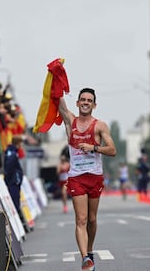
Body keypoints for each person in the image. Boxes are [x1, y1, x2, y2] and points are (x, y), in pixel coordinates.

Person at [58, 87, 116, 271]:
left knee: (91, 219)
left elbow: (112, 150)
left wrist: (94, 148)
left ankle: (89, 251)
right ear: (77, 103)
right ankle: (85, 259)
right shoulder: (71, 121)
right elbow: (58, 102)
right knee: (81, 219)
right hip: (76, 177)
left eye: (89, 101)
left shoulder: (100, 126)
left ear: (94, 105)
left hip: (95, 177)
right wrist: (55, 76)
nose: (85, 103)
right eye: (82, 99)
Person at [4, 135, 24, 218]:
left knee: (15, 200)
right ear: (18, 143)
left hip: (12, 180)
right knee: (15, 202)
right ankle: (16, 219)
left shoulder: (11, 152)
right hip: (13, 181)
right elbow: (9, 168)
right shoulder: (12, 154)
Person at [57, 146, 70, 213]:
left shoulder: (68, 164)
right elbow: (58, 172)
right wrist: (60, 167)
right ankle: (64, 205)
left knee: (63, 192)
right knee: (63, 194)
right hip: (61, 181)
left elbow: (67, 169)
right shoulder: (59, 165)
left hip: (67, 181)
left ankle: (65, 207)